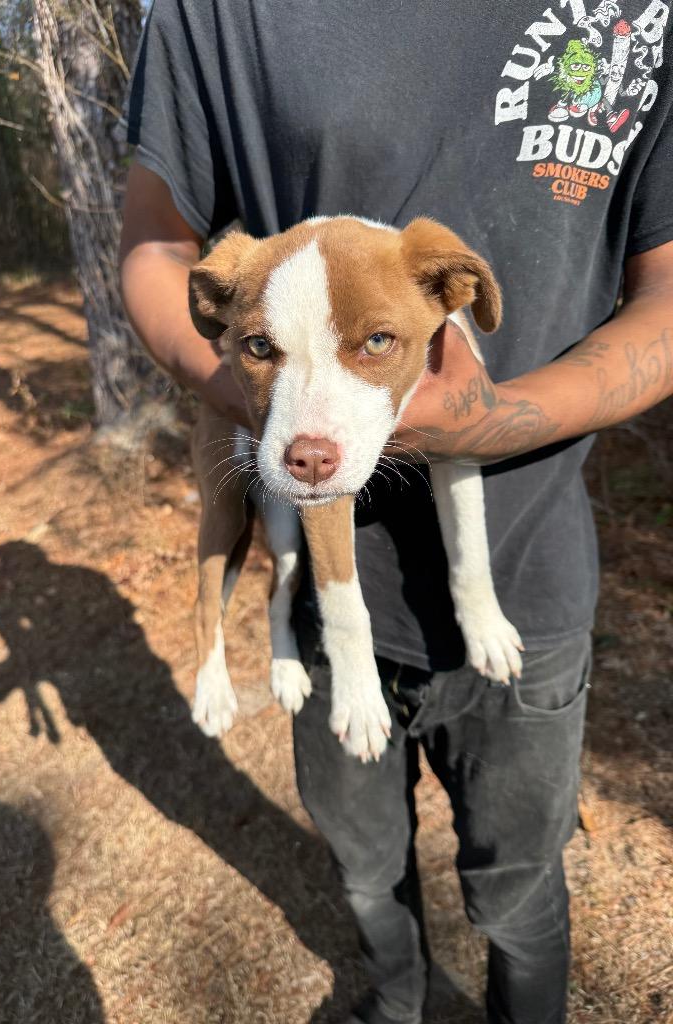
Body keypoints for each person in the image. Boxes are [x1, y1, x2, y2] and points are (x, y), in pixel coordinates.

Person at [118, 5, 673, 1023]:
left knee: (519, 893)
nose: (310, 427)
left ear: (455, 292)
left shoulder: (642, 20)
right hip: (341, 623)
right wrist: (236, 379)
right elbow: (159, 246)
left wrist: (487, 420)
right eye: (265, 348)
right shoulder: (215, 15)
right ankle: (395, 1002)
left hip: (534, 574)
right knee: (368, 873)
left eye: (372, 345)